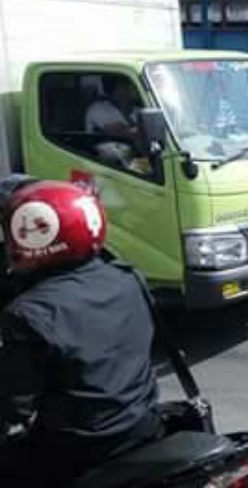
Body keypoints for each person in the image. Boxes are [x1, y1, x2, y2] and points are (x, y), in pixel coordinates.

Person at [0, 180, 162, 487]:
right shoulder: (127, 277)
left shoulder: (28, 314)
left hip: (80, 449)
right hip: (142, 425)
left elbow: (13, 405)